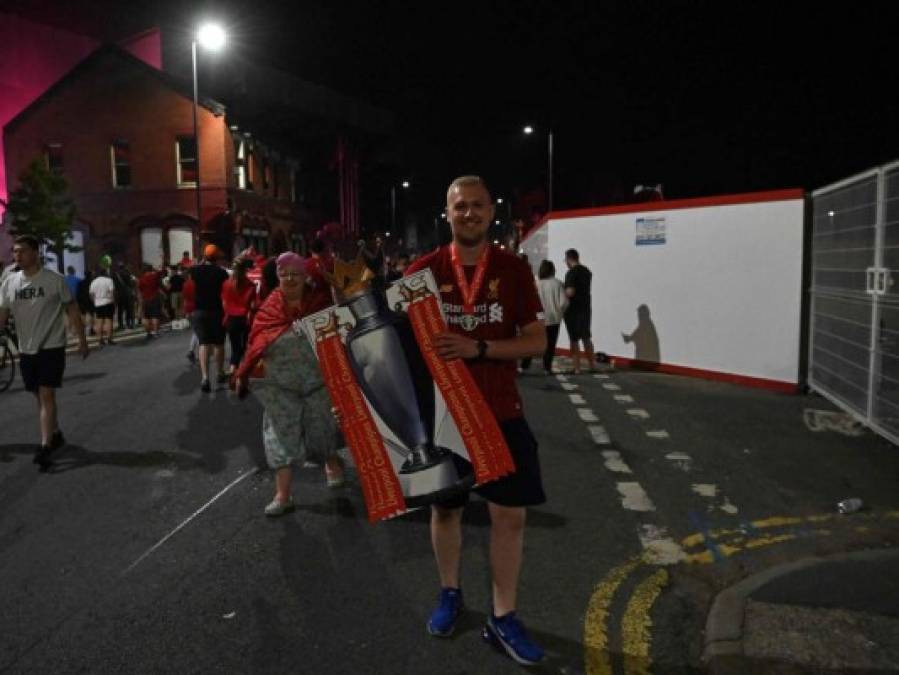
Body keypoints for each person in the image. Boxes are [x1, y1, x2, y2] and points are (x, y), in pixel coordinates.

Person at [405, 176, 547, 666]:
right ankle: (450, 592)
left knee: (510, 516)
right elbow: (395, 348)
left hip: (501, 410)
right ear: (447, 212)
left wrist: (479, 347)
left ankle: (503, 616)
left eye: (478, 206)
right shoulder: (421, 272)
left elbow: (535, 341)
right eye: (460, 206)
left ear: (492, 212)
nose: (469, 213)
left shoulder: (512, 269)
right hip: (444, 419)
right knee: (446, 511)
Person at [232, 252, 345, 516]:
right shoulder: (269, 307)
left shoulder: (320, 301)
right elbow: (256, 341)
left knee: (323, 429)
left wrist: (336, 287)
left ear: (306, 277)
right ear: (277, 278)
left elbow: (342, 318)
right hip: (280, 387)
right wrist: (243, 373)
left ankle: (332, 462)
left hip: (317, 382)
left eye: (296, 274)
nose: (290, 279)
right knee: (279, 437)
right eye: (284, 275)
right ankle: (283, 495)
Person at [0, 235, 89, 470]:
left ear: (35, 253)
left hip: (51, 346)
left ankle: (45, 447)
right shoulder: (9, 282)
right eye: (14, 251)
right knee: (39, 396)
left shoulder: (54, 280)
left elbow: (72, 308)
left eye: (22, 251)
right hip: (25, 348)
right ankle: (55, 432)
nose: (16, 255)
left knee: (46, 394)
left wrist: (82, 340)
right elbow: (3, 314)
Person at [190, 244, 229, 392]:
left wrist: (202, 261)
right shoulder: (221, 273)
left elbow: (193, 272)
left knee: (204, 344)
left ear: (204, 256)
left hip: (200, 311)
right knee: (219, 343)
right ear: (217, 257)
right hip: (217, 311)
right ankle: (219, 373)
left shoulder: (195, 271)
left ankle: (205, 378)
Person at [221, 257, 256, 375]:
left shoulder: (226, 284)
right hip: (245, 319)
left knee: (235, 347)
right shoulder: (250, 285)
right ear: (245, 270)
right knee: (245, 347)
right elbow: (253, 305)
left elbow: (224, 303)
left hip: (231, 319)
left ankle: (232, 369)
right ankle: (243, 370)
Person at [563, 248, 596, 374]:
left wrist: (562, 292)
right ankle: (592, 365)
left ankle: (577, 368)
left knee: (574, 339)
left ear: (569, 259)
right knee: (586, 337)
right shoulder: (587, 271)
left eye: (565, 259)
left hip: (573, 310)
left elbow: (570, 292)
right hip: (586, 308)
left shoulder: (571, 273)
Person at [535, 260, 568, 374]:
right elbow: (564, 302)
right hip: (554, 318)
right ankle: (547, 367)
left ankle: (525, 364)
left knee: (535, 341)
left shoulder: (537, 284)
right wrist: (560, 312)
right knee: (550, 344)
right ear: (553, 270)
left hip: (539, 318)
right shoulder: (558, 283)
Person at [89, 266, 116, 345]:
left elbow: (91, 294)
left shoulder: (94, 282)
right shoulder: (109, 280)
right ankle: (109, 339)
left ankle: (100, 339)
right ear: (105, 273)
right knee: (109, 321)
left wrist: (95, 301)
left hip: (98, 303)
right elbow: (112, 292)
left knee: (99, 322)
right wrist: (113, 301)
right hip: (108, 302)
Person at [137, 263, 163, 338]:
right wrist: (154, 269)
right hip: (155, 298)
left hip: (146, 300)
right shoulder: (154, 276)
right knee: (155, 316)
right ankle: (155, 332)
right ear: (151, 269)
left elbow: (140, 291)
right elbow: (160, 271)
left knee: (146, 317)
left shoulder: (141, 279)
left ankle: (148, 333)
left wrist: (140, 302)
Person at [112, 263, 136, 330]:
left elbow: (114, 285)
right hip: (128, 294)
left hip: (120, 295)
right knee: (130, 309)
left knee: (120, 310)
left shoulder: (115, 275)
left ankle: (121, 325)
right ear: (124, 267)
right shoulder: (128, 273)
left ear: (118, 267)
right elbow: (132, 283)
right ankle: (130, 324)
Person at [183, 273, 198, 363]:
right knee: (199, 332)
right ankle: (192, 351)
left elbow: (184, 297)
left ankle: (191, 351)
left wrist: (185, 311)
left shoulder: (185, 284)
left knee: (196, 331)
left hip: (188, 308)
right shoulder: (198, 284)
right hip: (197, 308)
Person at [76, 270, 95, 336]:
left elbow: (78, 293)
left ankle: (83, 330)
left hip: (82, 301)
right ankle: (91, 329)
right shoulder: (92, 282)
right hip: (90, 301)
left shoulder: (80, 283)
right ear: (90, 275)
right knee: (91, 315)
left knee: (83, 316)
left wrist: (78, 301)